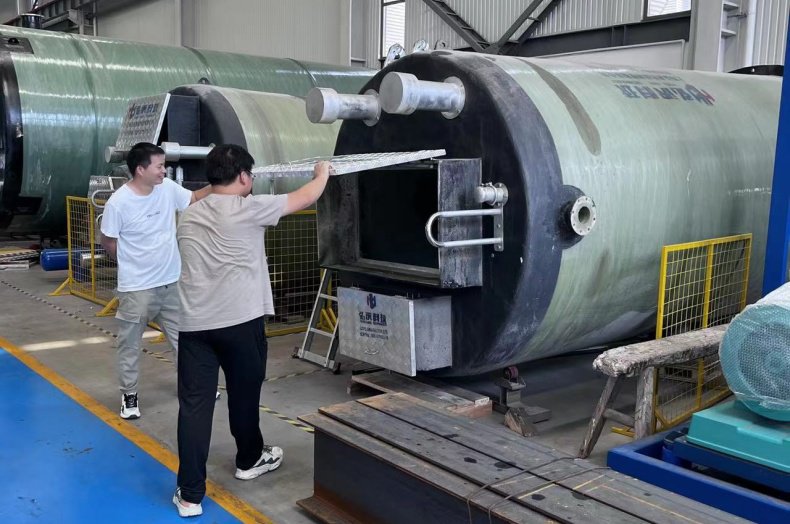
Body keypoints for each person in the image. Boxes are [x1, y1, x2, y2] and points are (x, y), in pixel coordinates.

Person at [171, 144, 331, 517]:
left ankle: (190, 495)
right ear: (244, 177)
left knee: (194, 408)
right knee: (244, 396)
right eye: (250, 175)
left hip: (194, 326)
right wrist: (322, 172)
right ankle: (248, 460)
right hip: (241, 323)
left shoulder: (188, 216)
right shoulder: (250, 208)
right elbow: (305, 197)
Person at [100, 142, 212, 420]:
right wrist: (132, 263)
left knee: (186, 340)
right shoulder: (118, 203)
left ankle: (192, 386)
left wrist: (220, 183)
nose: (164, 170)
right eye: (159, 166)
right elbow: (109, 241)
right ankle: (129, 395)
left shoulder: (168, 189)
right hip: (137, 288)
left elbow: (193, 198)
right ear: (141, 170)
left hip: (171, 283)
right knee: (130, 344)